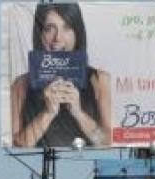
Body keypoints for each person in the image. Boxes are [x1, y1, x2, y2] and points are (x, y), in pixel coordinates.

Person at [10, 3, 111, 148]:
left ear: (77, 33)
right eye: (49, 28)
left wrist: (78, 112)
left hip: (85, 163)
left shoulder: (99, 80)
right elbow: (18, 145)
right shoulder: (21, 85)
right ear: (39, 34)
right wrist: (48, 113)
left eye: (67, 28)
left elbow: (107, 142)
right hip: (38, 163)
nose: (57, 37)